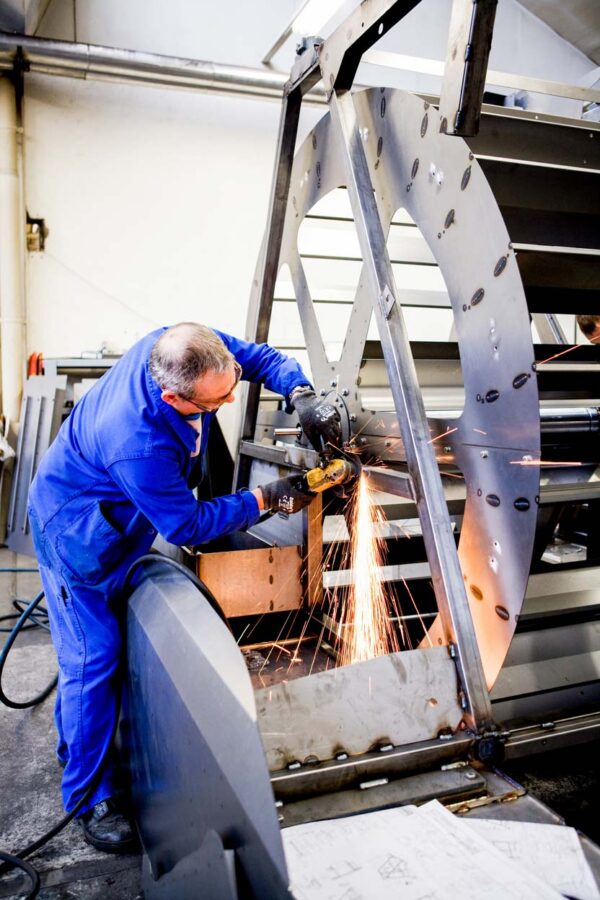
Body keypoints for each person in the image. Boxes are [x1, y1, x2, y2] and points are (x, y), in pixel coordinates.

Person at [27, 322, 341, 853]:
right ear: (173, 396)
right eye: (221, 399)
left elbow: (255, 357)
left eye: (231, 380)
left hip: (114, 510)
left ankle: (73, 744)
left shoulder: (183, 344)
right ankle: (88, 797)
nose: (234, 394)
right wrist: (266, 499)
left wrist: (300, 390)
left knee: (89, 653)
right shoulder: (137, 444)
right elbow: (186, 525)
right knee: (93, 656)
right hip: (74, 531)